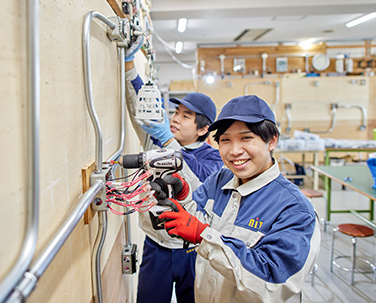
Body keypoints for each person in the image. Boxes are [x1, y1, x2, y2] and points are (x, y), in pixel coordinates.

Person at [158, 95, 321, 303]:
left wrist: (202, 237)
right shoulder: (221, 179)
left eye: (246, 138)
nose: (234, 151)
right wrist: (183, 195)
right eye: (225, 140)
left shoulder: (295, 210)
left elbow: (273, 284)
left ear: (271, 140)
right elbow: (195, 219)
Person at [124, 45, 223, 302]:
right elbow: (141, 104)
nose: (175, 119)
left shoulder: (213, 159)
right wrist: (129, 65)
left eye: (186, 116)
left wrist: (168, 142)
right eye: (176, 113)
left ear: (203, 129)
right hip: (155, 246)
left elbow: (198, 185)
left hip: (193, 249)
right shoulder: (157, 142)